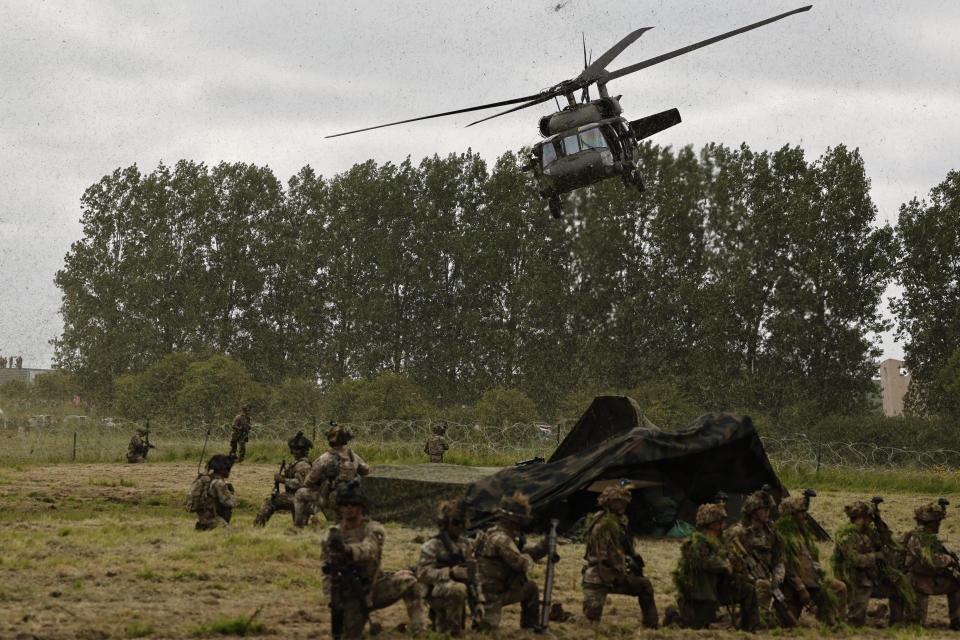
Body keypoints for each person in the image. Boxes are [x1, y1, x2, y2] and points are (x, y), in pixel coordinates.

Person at [321, 479, 425, 639]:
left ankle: (420, 632)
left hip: (376, 587)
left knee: (409, 583)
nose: (349, 508)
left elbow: (369, 550)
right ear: (339, 507)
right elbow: (327, 571)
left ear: (361, 506)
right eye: (344, 504)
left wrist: (348, 550)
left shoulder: (374, 529)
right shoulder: (332, 535)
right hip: (350, 594)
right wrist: (332, 600)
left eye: (353, 504)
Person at [666, 502, 759, 630]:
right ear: (713, 523)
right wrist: (725, 564)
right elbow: (705, 562)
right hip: (701, 596)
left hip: (719, 591)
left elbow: (730, 559)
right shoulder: (696, 542)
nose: (724, 526)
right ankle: (672, 614)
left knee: (748, 590)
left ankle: (749, 628)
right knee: (695, 626)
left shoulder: (720, 542)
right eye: (721, 522)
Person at [581, 483, 658, 627]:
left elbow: (624, 549)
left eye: (623, 502)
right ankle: (560, 616)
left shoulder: (621, 522)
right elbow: (604, 557)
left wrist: (630, 565)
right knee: (590, 622)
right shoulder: (602, 525)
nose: (621, 506)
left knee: (644, 585)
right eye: (617, 502)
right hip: (597, 577)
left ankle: (651, 626)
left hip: (618, 574)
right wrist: (625, 562)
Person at [474, 491, 550, 632]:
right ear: (513, 521)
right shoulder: (502, 539)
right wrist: (529, 559)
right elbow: (521, 564)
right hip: (491, 596)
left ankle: (530, 628)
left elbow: (518, 554)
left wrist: (544, 546)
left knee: (530, 588)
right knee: (486, 631)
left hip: (484, 592)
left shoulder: (492, 532)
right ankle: (529, 627)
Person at [831, 500, 913, 626]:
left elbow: (885, 539)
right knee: (857, 620)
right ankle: (853, 624)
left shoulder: (869, 533)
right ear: (859, 518)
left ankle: (896, 622)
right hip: (855, 581)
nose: (870, 521)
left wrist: (878, 520)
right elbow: (855, 560)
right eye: (868, 517)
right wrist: (875, 556)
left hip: (872, 578)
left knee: (898, 586)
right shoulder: (846, 536)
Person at [726, 488, 794, 627]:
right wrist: (750, 576)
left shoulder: (771, 532)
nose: (768, 513)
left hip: (766, 576)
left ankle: (772, 619)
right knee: (763, 586)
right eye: (764, 509)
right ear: (753, 511)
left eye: (768, 509)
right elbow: (730, 560)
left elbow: (779, 557)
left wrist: (778, 576)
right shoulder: (738, 532)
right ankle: (754, 621)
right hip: (743, 579)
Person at [775, 494, 846, 624]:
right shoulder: (782, 536)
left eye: (805, 512)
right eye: (800, 512)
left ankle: (836, 624)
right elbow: (785, 567)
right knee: (785, 624)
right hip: (793, 588)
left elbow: (814, 560)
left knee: (839, 588)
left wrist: (819, 576)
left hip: (813, 583)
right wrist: (800, 587)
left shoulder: (805, 535)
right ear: (790, 515)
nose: (804, 515)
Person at [417, 500, 485, 635]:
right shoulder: (433, 545)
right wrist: (450, 572)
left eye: (462, 523)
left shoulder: (465, 545)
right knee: (458, 590)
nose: (459, 527)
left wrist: (479, 601)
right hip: (436, 592)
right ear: (445, 523)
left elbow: (474, 575)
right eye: (455, 522)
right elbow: (422, 573)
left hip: (460, 591)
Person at [294, 422, 370, 526]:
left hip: (332, 500)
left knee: (300, 493)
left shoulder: (324, 458)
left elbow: (309, 481)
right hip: (353, 498)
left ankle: (299, 525)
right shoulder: (353, 456)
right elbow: (366, 470)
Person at [900, 500, 960, 628]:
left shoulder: (929, 537)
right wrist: (948, 560)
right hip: (917, 582)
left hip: (930, 579)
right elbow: (928, 561)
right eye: (936, 522)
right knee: (915, 625)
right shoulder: (917, 537)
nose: (939, 525)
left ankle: (957, 622)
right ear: (929, 523)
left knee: (956, 583)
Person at [253, 431, 313, 527]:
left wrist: (283, 480)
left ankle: (258, 526)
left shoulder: (303, 465)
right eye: (294, 449)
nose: (296, 452)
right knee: (300, 527)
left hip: (300, 498)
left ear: (305, 450)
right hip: (297, 497)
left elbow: (301, 484)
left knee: (270, 502)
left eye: (299, 449)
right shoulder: (297, 463)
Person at [188, 454, 237, 531]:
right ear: (222, 470)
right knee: (233, 534)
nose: (229, 471)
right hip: (213, 518)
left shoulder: (206, 480)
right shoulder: (219, 483)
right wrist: (231, 493)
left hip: (203, 518)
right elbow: (230, 503)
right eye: (228, 469)